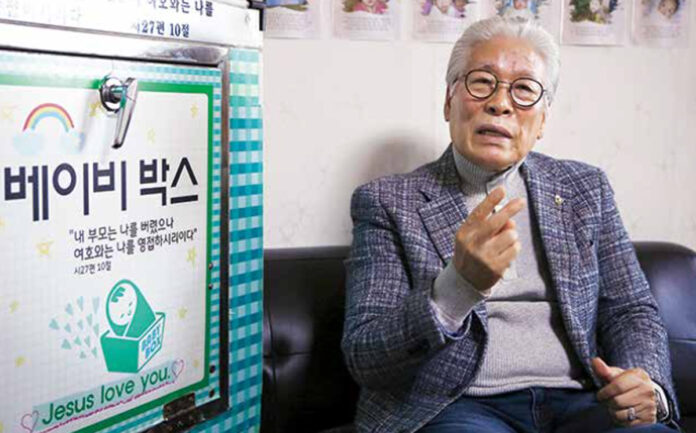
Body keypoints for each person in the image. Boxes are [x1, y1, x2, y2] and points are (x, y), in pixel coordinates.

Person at [343, 16, 679, 433]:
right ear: (449, 102)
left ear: (543, 120)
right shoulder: (388, 201)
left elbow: (630, 309)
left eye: (524, 89)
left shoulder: (584, 188)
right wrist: (457, 287)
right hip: (457, 406)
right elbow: (366, 354)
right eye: (482, 82)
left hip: (582, 402)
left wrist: (648, 386)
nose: (500, 103)